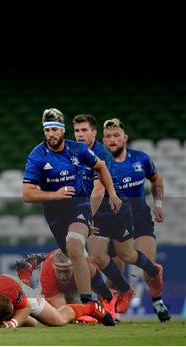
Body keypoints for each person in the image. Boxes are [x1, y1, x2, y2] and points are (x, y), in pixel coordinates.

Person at [22, 108, 120, 319]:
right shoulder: (37, 156)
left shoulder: (77, 150)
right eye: (47, 130)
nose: (51, 134)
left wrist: (112, 194)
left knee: (75, 244)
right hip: (54, 214)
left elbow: (101, 167)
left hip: (79, 205)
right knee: (77, 257)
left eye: (55, 129)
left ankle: (88, 307)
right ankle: (105, 293)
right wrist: (54, 195)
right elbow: (27, 194)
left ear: (63, 130)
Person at [73, 114, 161, 315]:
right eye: (77, 130)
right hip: (97, 210)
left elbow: (97, 190)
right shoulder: (75, 152)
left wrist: (86, 219)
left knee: (126, 255)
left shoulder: (101, 154)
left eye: (84, 130)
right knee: (96, 256)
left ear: (94, 133)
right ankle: (123, 291)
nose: (80, 134)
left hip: (114, 209)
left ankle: (154, 271)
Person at [101, 118, 169, 322]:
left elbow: (156, 178)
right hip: (114, 221)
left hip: (140, 219)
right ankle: (112, 310)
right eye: (108, 136)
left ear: (125, 138)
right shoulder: (100, 163)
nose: (112, 139)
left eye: (116, 135)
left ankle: (157, 301)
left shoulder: (141, 159)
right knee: (115, 271)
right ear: (103, 140)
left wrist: (158, 205)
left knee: (149, 268)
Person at [0, 274, 115, 328]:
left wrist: (12, 323)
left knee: (57, 320)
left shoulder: (14, 293)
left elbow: (25, 308)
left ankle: (90, 308)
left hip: (10, 284)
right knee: (32, 323)